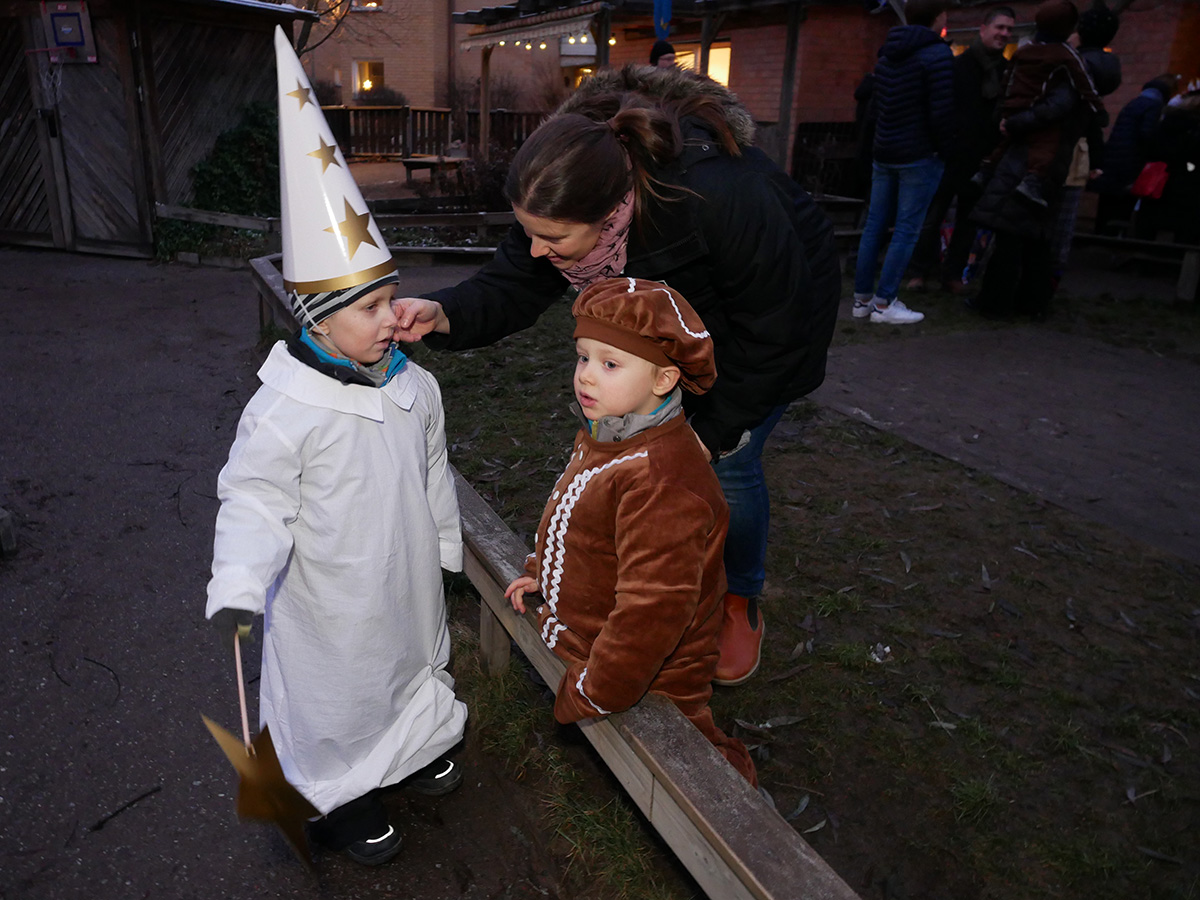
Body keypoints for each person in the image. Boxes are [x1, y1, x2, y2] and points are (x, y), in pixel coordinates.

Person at [393, 65, 841, 687]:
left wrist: (705, 435)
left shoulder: (719, 197)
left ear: (610, 215)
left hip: (758, 335)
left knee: (724, 469)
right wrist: (445, 312)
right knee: (632, 468)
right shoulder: (565, 196)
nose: (535, 251)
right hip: (656, 335)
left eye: (550, 238)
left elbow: (778, 335)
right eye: (527, 232)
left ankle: (736, 596)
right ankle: (637, 585)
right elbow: (513, 283)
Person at [204, 27, 467, 868]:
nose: (393, 316)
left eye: (392, 297)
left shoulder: (413, 385)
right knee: (340, 691)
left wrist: (446, 545)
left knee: (407, 662)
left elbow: (430, 467)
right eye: (370, 309)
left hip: (403, 577)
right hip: (330, 598)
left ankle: (414, 743)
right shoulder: (285, 412)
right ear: (315, 321)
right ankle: (332, 798)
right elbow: (253, 498)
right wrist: (241, 582)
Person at [504, 277, 756, 784]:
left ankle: (746, 821)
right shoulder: (615, 432)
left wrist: (598, 689)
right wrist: (545, 574)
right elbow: (579, 523)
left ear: (663, 380)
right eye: (582, 357)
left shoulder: (664, 479)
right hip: (599, 635)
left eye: (609, 363)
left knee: (694, 763)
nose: (586, 377)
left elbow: (653, 608)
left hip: (655, 671)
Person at [969, 1, 1105, 319]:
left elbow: (1055, 107)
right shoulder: (1063, 64)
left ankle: (1000, 302)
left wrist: (1012, 122)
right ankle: (1025, 302)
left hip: (1034, 158)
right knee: (1028, 236)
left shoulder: (1060, 67)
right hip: (1037, 157)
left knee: (1016, 235)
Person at [851, 0, 955, 324]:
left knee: (874, 225)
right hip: (919, 154)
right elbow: (942, 113)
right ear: (939, 17)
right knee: (906, 230)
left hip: (885, 151)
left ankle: (862, 300)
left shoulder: (887, 53)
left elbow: (880, 106)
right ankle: (885, 304)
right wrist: (945, 149)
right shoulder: (938, 56)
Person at [906, 6, 1015, 293]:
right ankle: (919, 271)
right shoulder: (961, 65)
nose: (1004, 34)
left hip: (981, 157)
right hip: (952, 153)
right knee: (932, 216)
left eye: (1009, 29)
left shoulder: (1005, 71)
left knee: (968, 220)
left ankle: (952, 274)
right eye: (1000, 27)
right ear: (984, 29)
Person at [974, 0, 1105, 209]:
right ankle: (1032, 182)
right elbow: (1082, 82)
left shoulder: (1025, 50)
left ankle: (986, 169)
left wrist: (1003, 112)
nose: (1005, 33)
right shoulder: (1066, 54)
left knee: (1005, 143)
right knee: (1046, 146)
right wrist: (1098, 109)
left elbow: (1008, 78)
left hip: (1016, 107)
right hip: (1035, 110)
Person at [1048, 0, 1123, 292]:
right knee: (1064, 222)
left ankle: (1037, 278)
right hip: (1079, 153)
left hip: (1057, 148)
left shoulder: (1077, 65)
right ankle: (1051, 278)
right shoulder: (1105, 68)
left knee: (1045, 215)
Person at [1091, 74, 1179, 235]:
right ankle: (1111, 246)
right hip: (1130, 162)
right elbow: (1146, 134)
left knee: (1106, 208)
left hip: (1113, 160)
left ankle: (1098, 241)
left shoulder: (1135, 102)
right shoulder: (1154, 106)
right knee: (1121, 209)